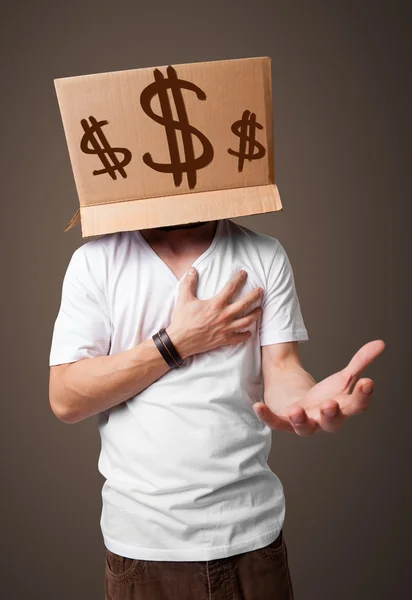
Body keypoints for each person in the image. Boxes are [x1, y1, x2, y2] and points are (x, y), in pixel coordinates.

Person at [48, 218, 385, 600]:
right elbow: (66, 397)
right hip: (144, 548)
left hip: (252, 541)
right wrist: (176, 342)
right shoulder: (96, 261)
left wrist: (304, 403)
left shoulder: (263, 253)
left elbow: (282, 368)